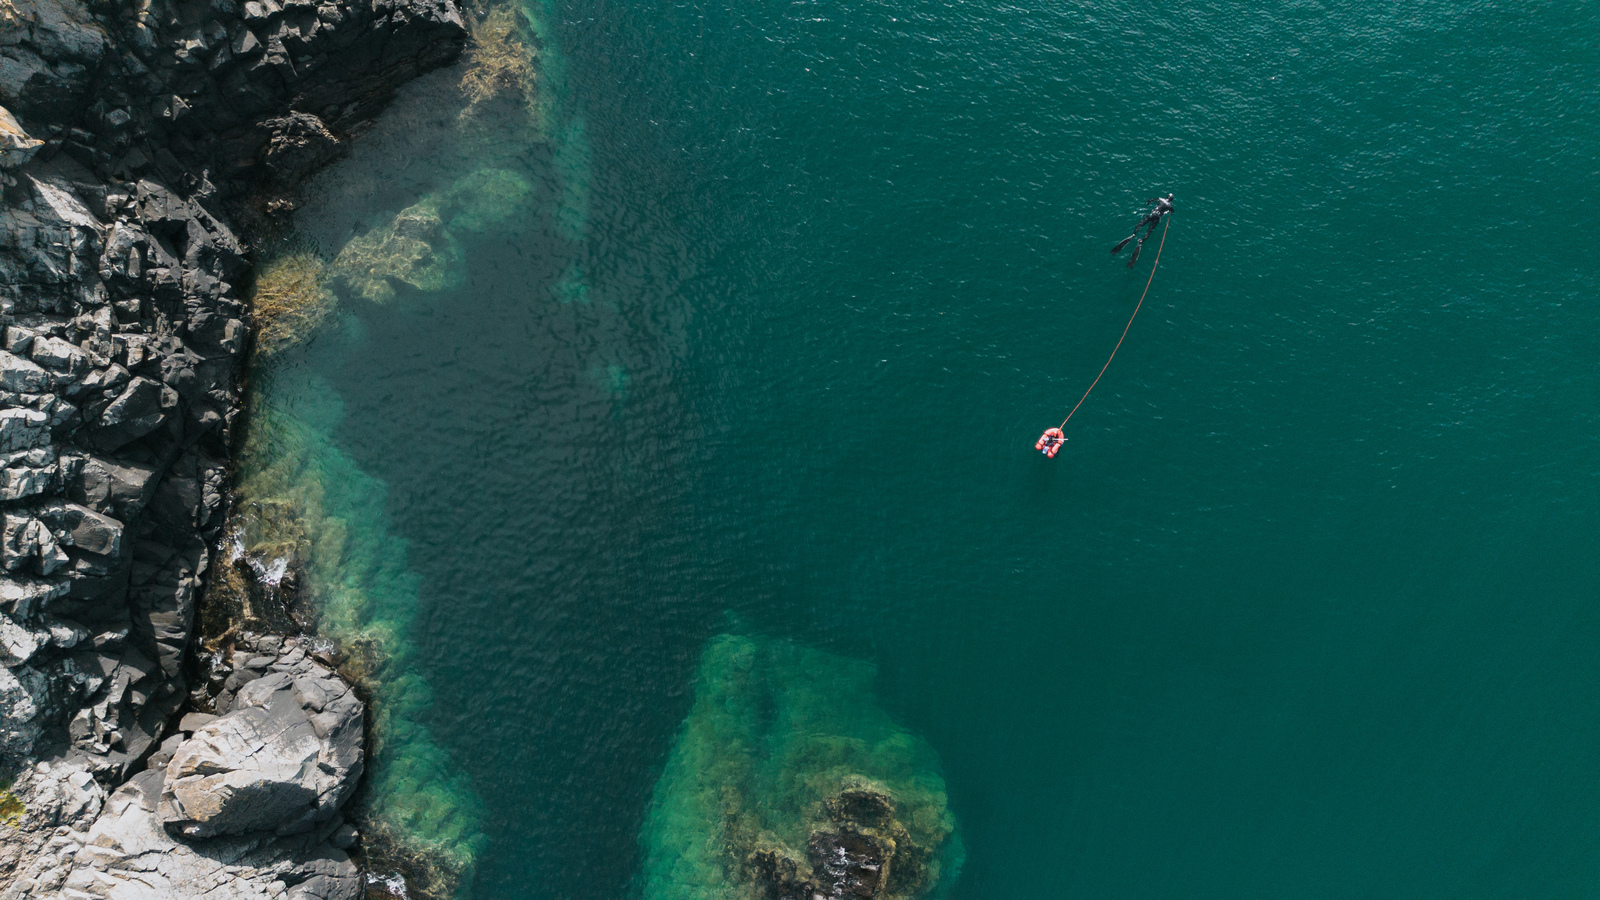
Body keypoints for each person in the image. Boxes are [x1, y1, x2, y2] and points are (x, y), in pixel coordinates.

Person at [1111, 193, 1173, 267]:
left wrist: (1147, 202)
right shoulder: (1170, 206)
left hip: (1152, 214)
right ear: (1171, 200)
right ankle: (1141, 241)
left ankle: (1134, 234)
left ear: (1167, 197)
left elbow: (1151, 200)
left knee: (1141, 224)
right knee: (1149, 231)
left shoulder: (1160, 199)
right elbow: (1172, 211)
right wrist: (1169, 211)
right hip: (1157, 218)